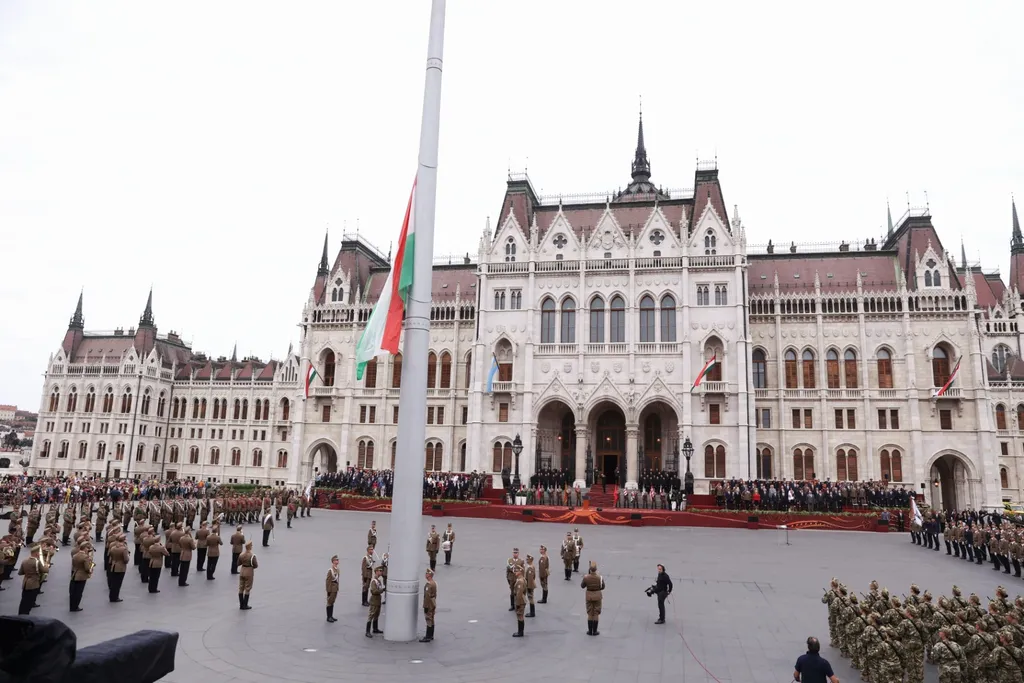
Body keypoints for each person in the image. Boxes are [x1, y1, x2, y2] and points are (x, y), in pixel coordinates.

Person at [580, 560, 605, 636]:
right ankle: (595, 631)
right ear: (596, 569)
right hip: (597, 596)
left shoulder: (586, 577)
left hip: (589, 596)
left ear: (590, 569)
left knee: (590, 613)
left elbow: (582, 586)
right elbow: (603, 587)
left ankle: (590, 631)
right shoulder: (599, 577)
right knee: (596, 613)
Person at [17, 544, 42, 615]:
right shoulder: (37, 562)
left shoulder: (24, 561)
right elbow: (45, 570)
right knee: (29, 602)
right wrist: (46, 565)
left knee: (24, 601)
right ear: (36, 553)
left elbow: (20, 572)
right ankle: (24, 617)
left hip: (25, 583)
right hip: (33, 584)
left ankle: (21, 615)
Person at [69, 540, 93, 612]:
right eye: (87, 548)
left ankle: (72, 606)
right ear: (85, 548)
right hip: (81, 575)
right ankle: (75, 607)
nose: (88, 549)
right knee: (79, 592)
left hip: (75, 573)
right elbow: (87, 568)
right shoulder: (85, 557)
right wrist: (90, 568)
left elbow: (73, 565)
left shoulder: (75, 555)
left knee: (74, 592)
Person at [107, 532, 130, 602]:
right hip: (120, 567)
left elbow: (110, 554)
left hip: (114, 564)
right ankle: (115, 597)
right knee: (118, 583)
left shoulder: (113, 547)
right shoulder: (124, 549)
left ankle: (112, 596)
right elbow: (126, 559)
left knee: (114, 582)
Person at [366, 565, 385, 638]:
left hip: (378, 600)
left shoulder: (378, 581)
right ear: (376, 572)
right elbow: (374, 591)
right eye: (380, 571)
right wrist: (382, 590)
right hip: (374, 600)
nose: (381, 572)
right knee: (371, 615)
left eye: (381, 571)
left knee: (377, 614)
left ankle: (375, 628)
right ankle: (367, 631)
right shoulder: (374, 581)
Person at [238, 540, 257, 610]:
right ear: (250, 547)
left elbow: (238, 563)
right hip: (249, 572)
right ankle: (245, 604)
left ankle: (241, 604)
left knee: (241, 588)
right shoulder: (252, 555)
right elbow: (256, 565)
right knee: (247, 588)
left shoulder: (241, 554)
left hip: (242, 571)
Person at [420, 567, 437, 643]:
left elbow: (427, 596)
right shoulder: (434, 583)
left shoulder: (428, 585)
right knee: (432, 618)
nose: (425, 574)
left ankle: (428, 636)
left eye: (426, 573)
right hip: (433, 602)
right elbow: (435, 594)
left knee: (428, 618)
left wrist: (425, 606)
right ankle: (431, 635)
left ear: (429, 575)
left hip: (429, 602)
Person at [512, 564, 526, 638]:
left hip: (520, 601)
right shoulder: (521, 579)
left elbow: (519, 593)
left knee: (520, 616)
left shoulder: (520, 581)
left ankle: (520, 632)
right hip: (522, 600)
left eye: (516, 571)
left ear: (520, 572)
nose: (515, 572)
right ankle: (520, 631)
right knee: (520, 616)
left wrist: (517, 603)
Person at [325, 554, 339, 623]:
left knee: (332, 602)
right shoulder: (330, 571)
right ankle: (328, 617)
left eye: (337, 560)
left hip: (335, 589)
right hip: (331, 589)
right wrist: (329, 591)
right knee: (329, 602)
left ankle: (331, 616)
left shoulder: (337, 569)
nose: (337, 561)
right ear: (333, 561)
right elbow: (328, 582)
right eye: (336, 560)